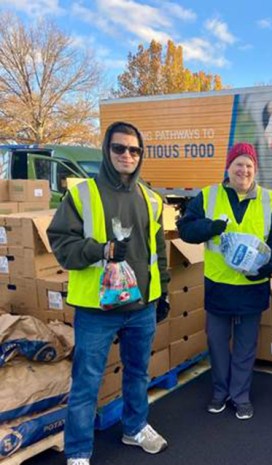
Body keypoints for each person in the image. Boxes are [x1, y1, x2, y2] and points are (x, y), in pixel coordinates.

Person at [47, 122, 171, 465]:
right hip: (96, 309)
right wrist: (100, 250)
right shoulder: (83, 194)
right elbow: (61, 244)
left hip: (141, 307)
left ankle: (135, 427)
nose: (127, 155)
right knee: (86, 381)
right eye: (119, 148)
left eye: (134, 150)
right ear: (107, 150)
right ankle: (78, 451)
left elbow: (157, 249)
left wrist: (164, 291)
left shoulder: (150, 198)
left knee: (138, 372)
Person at [177, 142, 272, 420]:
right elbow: (186, 229)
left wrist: (267, 267)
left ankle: (240, 396)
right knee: (217, 345)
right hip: (219, 288)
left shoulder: (269, 201)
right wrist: (209, 227)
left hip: (252, 288)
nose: (244, 170)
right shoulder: (209, 196)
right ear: (229, 168)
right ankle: (219, 393)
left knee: (244, 347)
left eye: (249, 165)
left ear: (255, 170)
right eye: (239, 164)